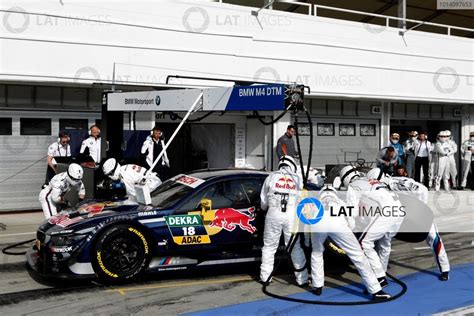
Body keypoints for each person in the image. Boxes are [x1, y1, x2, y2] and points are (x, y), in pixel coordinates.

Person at [310, 186, 390, 300]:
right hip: (337, 221)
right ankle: (376, 290)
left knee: (316, 253)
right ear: (335, 194)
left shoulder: (315, 202)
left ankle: (317, 286)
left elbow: (306, 218)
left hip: (318, 220)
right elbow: (351, 220)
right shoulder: (341, 202)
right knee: (358, 255)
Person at [341, 166, 404, 288]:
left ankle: (380, 277)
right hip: (398, 210)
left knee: (364, 243)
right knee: (384, 243)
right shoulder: (367, 179)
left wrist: (352, 230)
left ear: (346, 178)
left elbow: (351, 212)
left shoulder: (353, 186)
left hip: (385, 212)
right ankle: (382, 271)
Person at [384, 165, 450, 281]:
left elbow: (422, 190)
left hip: (418, 215)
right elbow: (422, 190)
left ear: (405, 174)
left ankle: (445, 270)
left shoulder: (402, 182)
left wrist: (420, 209)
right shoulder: (392, 181)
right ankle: (380, 274)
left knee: (434, 238)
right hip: (402, 215)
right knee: (384, 240)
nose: (400, 173)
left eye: (401, 171)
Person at [259, 155, 308, 287]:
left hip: (273, 213)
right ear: (292, 165)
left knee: (269, 247)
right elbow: (302, 201)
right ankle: (302, 279)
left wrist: (266, 207)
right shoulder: (297, 179)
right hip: (291, 215)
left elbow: (263, 202)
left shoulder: (271, 177)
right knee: (294, 247)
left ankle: (265, 278)